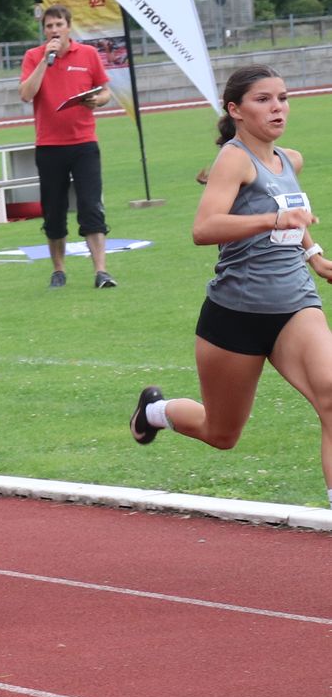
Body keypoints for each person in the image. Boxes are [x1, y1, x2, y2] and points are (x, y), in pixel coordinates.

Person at [130, 67, 332, 503]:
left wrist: (314, 256)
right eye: (263, 99)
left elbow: (291, 211)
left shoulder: (290, 159)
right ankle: (154, 411)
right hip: (237, 314)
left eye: (282, 97)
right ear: (235, 110)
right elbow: (204, 229)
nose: (277, 107)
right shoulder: (234, 159)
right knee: (221, 433)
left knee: (331, 396)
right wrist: (272, 220)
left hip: (296, 304)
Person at [17, 5, 117, 289]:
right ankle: (58, 270)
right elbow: (26, 94)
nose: (54, 30)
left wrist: (97, 101)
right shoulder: (33, 57)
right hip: (49, 145)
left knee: (91, 206)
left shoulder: (87, 54)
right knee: (54, 210)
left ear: (69, 26)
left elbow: (105, 91)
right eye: (49, 26)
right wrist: (43, 62)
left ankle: (101, 271)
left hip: (84, 143)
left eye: (59, 24)